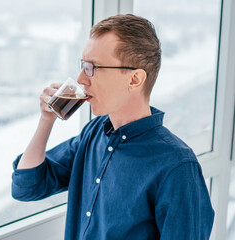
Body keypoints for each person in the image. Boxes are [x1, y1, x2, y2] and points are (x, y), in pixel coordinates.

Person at [11, 14, 214, 240]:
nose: (81, 79)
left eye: (92, 68)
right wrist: (46, 119)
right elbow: (27, 186)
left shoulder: (177, 166)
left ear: (135, 79)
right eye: (83, 65)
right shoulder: (93, 133)